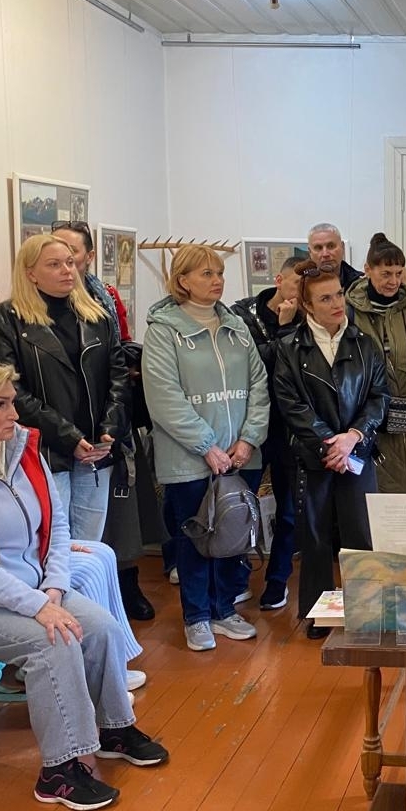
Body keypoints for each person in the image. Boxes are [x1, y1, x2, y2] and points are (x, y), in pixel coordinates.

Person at [0, 361, 167, 811]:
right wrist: (39, 606)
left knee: (101, 627)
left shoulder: (20, 448)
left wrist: (55, 587)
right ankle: (59, 771)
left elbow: (55, 525)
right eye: (0, 404)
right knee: (52, 642)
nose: (14, 413)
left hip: (33, 590)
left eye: (12, 402)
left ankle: (113, 729)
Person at [143, 245, 270, 652]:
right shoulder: (163, 330)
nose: (217, 281)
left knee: (232, 535)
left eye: (219, 273)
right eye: (206, 274)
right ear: (182, 280)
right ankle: (196, 617)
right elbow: (164, 396)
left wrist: (248, 439)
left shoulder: (237, 327)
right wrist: (207, 446)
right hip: (190, 460)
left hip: (240, 456)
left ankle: (224, 609)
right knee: (196, 540)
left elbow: (258, 386)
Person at [0, 233, 130, 542]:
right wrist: (67, 437)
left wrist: (109, 429)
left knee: (88, 546)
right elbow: (11, 391)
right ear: (30, 273)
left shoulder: (97, 316)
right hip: (45, 452)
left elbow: (118, 376)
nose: (67, 271)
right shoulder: (5, 322)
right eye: (54, 265)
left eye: (70, 262)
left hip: (96, 450)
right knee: (54, 546)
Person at [273, 260, 388, 639]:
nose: (337, 303)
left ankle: (365, 611)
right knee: (315, 537)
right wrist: (330, 444)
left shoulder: (364, 343)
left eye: (339, 294)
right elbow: (291, 405)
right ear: (307, 305)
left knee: (361, 535)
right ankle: (318, 614)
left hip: (357, 451)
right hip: (313, 456)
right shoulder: (289, 348)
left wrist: (352, 437)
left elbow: (379, 397)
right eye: (326, 298)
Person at [52, 220, 159, 621]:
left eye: (72, 253)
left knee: (118, 512)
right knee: (65, 529)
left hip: (108, 427)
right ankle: (81, 609)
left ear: (89, 256)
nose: (65, 261)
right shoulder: (24, 315)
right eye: (55, 253)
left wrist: (111, 424)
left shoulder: (104, 300)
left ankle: (122, 588)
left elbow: (118, 359)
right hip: (60, 435)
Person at [231, 256, 304, 611]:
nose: (300, 292)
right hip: (251, 424)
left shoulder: (308, 318)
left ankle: (277, 580)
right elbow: (250, 365)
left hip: (291, 427)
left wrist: (291, 327)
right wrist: (285, 331)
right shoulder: (242, 314)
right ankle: (236, 578)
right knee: (240, 506)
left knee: (288, 510)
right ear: (279, 279)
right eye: (296, 283)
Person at [345, 233, 406, 494]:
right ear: (368, 270)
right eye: (386, 274)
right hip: (367, 422)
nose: (394, 281)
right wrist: (376, 412)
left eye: (399, 273)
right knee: (372, 497)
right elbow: (344, 371)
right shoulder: (348, 313)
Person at [307, 222, 363, 288]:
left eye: (331, 246)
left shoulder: (362, 284)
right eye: (319, 248)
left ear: (342, 247)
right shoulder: (301, 285)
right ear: (310, 252)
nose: (325, 254)